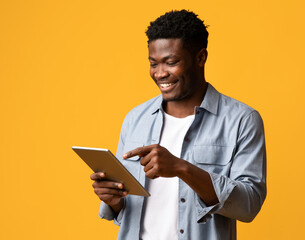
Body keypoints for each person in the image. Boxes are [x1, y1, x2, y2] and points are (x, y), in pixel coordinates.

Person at [90, 10, 266, 240]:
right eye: (153, 63)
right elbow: (128, 214)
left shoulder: (242, 120)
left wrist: (182, 169)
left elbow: (249, 205)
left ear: (201, 57)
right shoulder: (135, 119)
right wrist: (113, 202)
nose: (160, 73)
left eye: (171, 62)